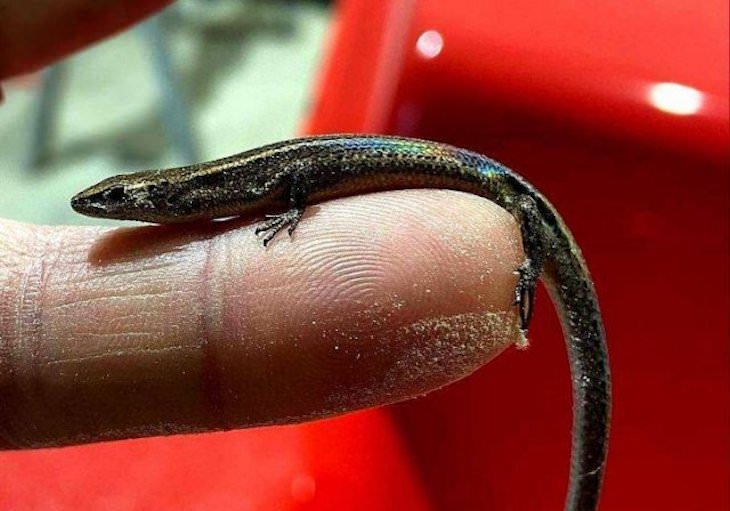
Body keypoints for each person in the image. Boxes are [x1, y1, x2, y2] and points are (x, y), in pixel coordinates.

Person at [0, 0, 520, 449]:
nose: (100, 205)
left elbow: (277, 180)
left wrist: (295, 208)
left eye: (114, 198)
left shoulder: (206, 190)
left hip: (344, 159)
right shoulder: (186, 196)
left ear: (147, 193)